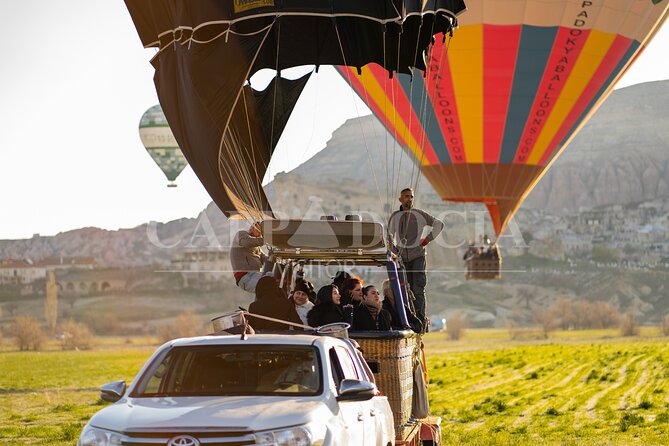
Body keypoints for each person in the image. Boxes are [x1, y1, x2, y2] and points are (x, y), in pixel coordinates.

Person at [387, 187, 443, 328]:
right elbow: (389, 237)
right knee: (404, 290)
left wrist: (426, 240)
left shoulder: (420, 214)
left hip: (417, 256)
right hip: (402, 259)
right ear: (400, 199)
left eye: (411, 196)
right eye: (406, 196)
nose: (409, 199)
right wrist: (394, 251)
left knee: (418, 288)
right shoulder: (394, 217)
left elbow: (439, 224)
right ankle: (406, 319)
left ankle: (420, 321)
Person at [230, 222, 267, 294]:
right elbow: (247, 242)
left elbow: (265, 259)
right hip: (245, 276)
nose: (260, 234)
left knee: (273, 285)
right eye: (259, 231)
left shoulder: (257, 246)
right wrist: (266, 240)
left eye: (262, 233)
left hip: (256, 274)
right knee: (266, 287)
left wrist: (277, 257)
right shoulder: (241, 234)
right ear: (253, 228)